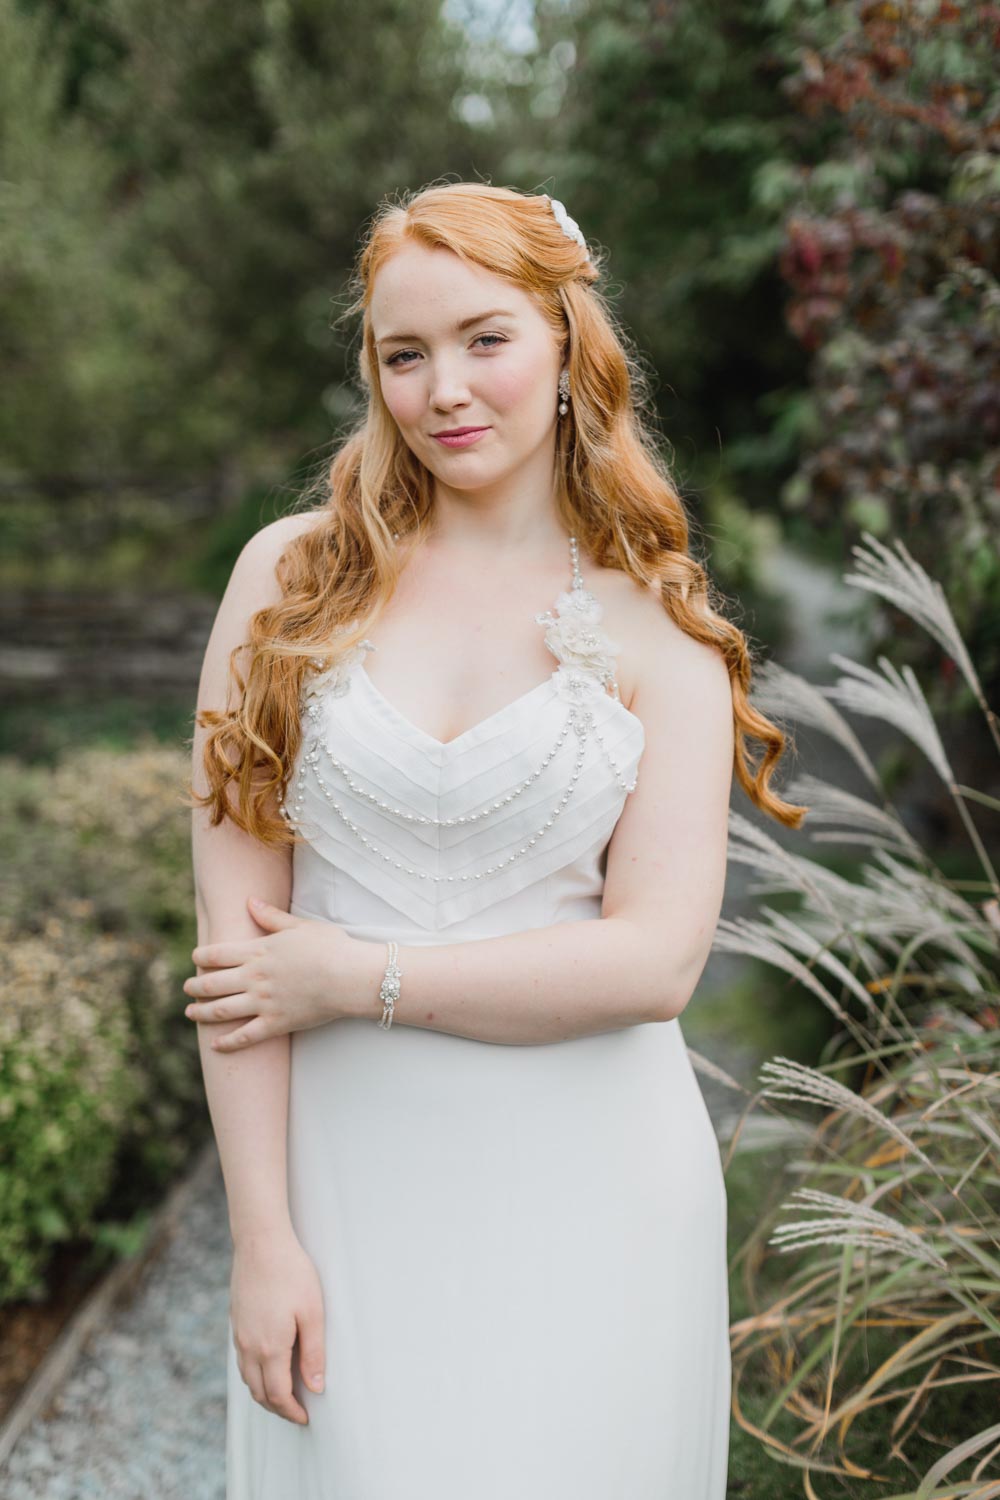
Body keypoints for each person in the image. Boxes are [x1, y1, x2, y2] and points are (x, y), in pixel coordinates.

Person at [184, 181, 806, 1499]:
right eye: (404, 355)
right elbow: (234, 962)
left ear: (569, 348)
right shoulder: (286, 583)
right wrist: (262, 1241)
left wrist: (357, 979)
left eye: (485, 339)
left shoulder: (662, 630)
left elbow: (654, 966)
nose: (445, 389)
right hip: (349, 1190)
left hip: (597, 1196)